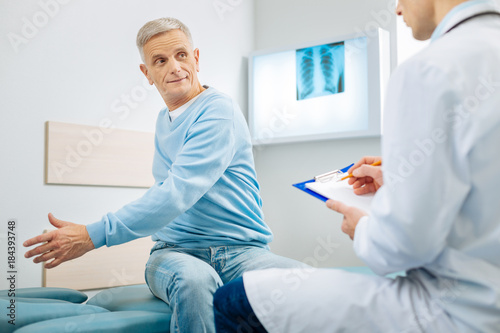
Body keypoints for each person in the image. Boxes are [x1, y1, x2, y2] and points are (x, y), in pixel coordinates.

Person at [213, 0, 500, 332]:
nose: (396, 10)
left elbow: (399, 250)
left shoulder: (430, 69)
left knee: (233, 299)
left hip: (458, 313)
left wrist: (362, 226)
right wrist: (400, 181)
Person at [23, 17, 304, 333]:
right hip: (175, 254)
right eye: (160, 60)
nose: (175, 67)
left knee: (306, 282)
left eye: (181, 55)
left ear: (195, 58)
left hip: (243, 253)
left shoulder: (218, 111)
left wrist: (92, 235)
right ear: (147, 74)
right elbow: (169, 193)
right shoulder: (165, 120)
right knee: (195, 281)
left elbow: (177, 192)